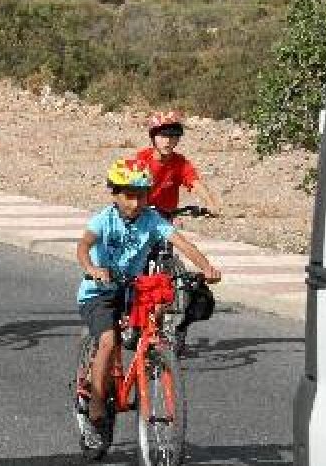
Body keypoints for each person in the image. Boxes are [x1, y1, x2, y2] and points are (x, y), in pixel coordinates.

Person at [74, 158, 221, 450]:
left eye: (142, 194)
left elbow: (183, 244)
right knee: (108, 341)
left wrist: (207, 267)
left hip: (133, 290)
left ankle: (152, 363)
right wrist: (92, 269)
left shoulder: (152, 219)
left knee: (154, 323)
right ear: (114, 194)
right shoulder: (104, 219)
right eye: (129, 194)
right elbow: (83, 246)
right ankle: (96, 406)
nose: (136, 201)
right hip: (99, 292)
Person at [136, 111, 222, 218]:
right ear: (153, 138)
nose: (167, 141)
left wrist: (210, 203)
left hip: (165, 219)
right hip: (141, 217)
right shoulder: (142, 159)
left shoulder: (180, 162)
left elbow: (195, 183)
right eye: (162, 136)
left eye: (172, 136)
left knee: (193, 236)